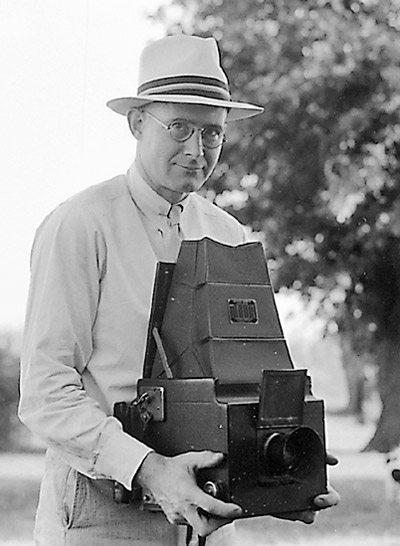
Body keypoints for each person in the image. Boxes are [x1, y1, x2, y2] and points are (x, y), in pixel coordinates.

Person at [19, 34, 339, 546]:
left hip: (208, 515)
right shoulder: (80, 225)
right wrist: (148, 469)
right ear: (137, 123)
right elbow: (45, 393)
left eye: (212, 133)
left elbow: (246, 380)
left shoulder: (231, 235)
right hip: (101, 513)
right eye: (180, 128)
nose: (196, 150)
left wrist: (281, 472)